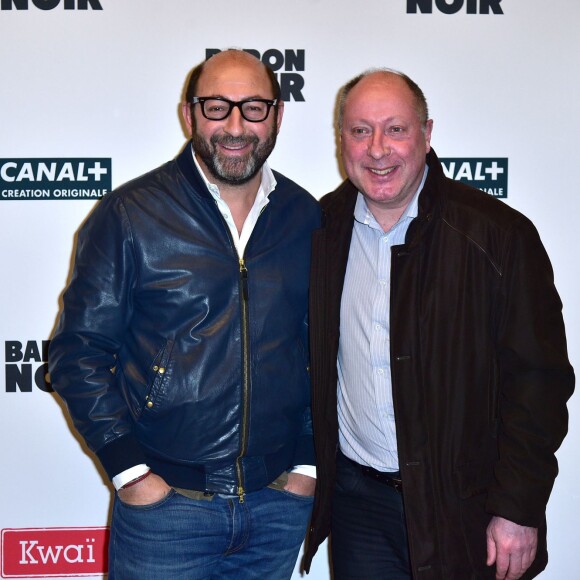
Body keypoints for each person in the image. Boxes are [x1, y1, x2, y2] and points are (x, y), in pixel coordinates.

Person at [49, 49, 319, 580]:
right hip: (167, 512)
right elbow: (76, 352)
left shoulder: (305, 216)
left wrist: (307, 464)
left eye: (254, 108)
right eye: (217, 107)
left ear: (278, 116)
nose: (236, 126)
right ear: (189, 114)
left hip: (277, 508)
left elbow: (320, 349)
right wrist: (132, 474)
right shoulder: (131, 214)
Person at [303, 69, 574, 580]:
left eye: (395, 129)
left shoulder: (499, 236)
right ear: (342, 140)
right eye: (360, 131)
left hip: (467, 508)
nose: (378, 149)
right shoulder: (321, 230)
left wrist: (518, 506)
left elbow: (539, 383)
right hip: (359, 508)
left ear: (427, 135)